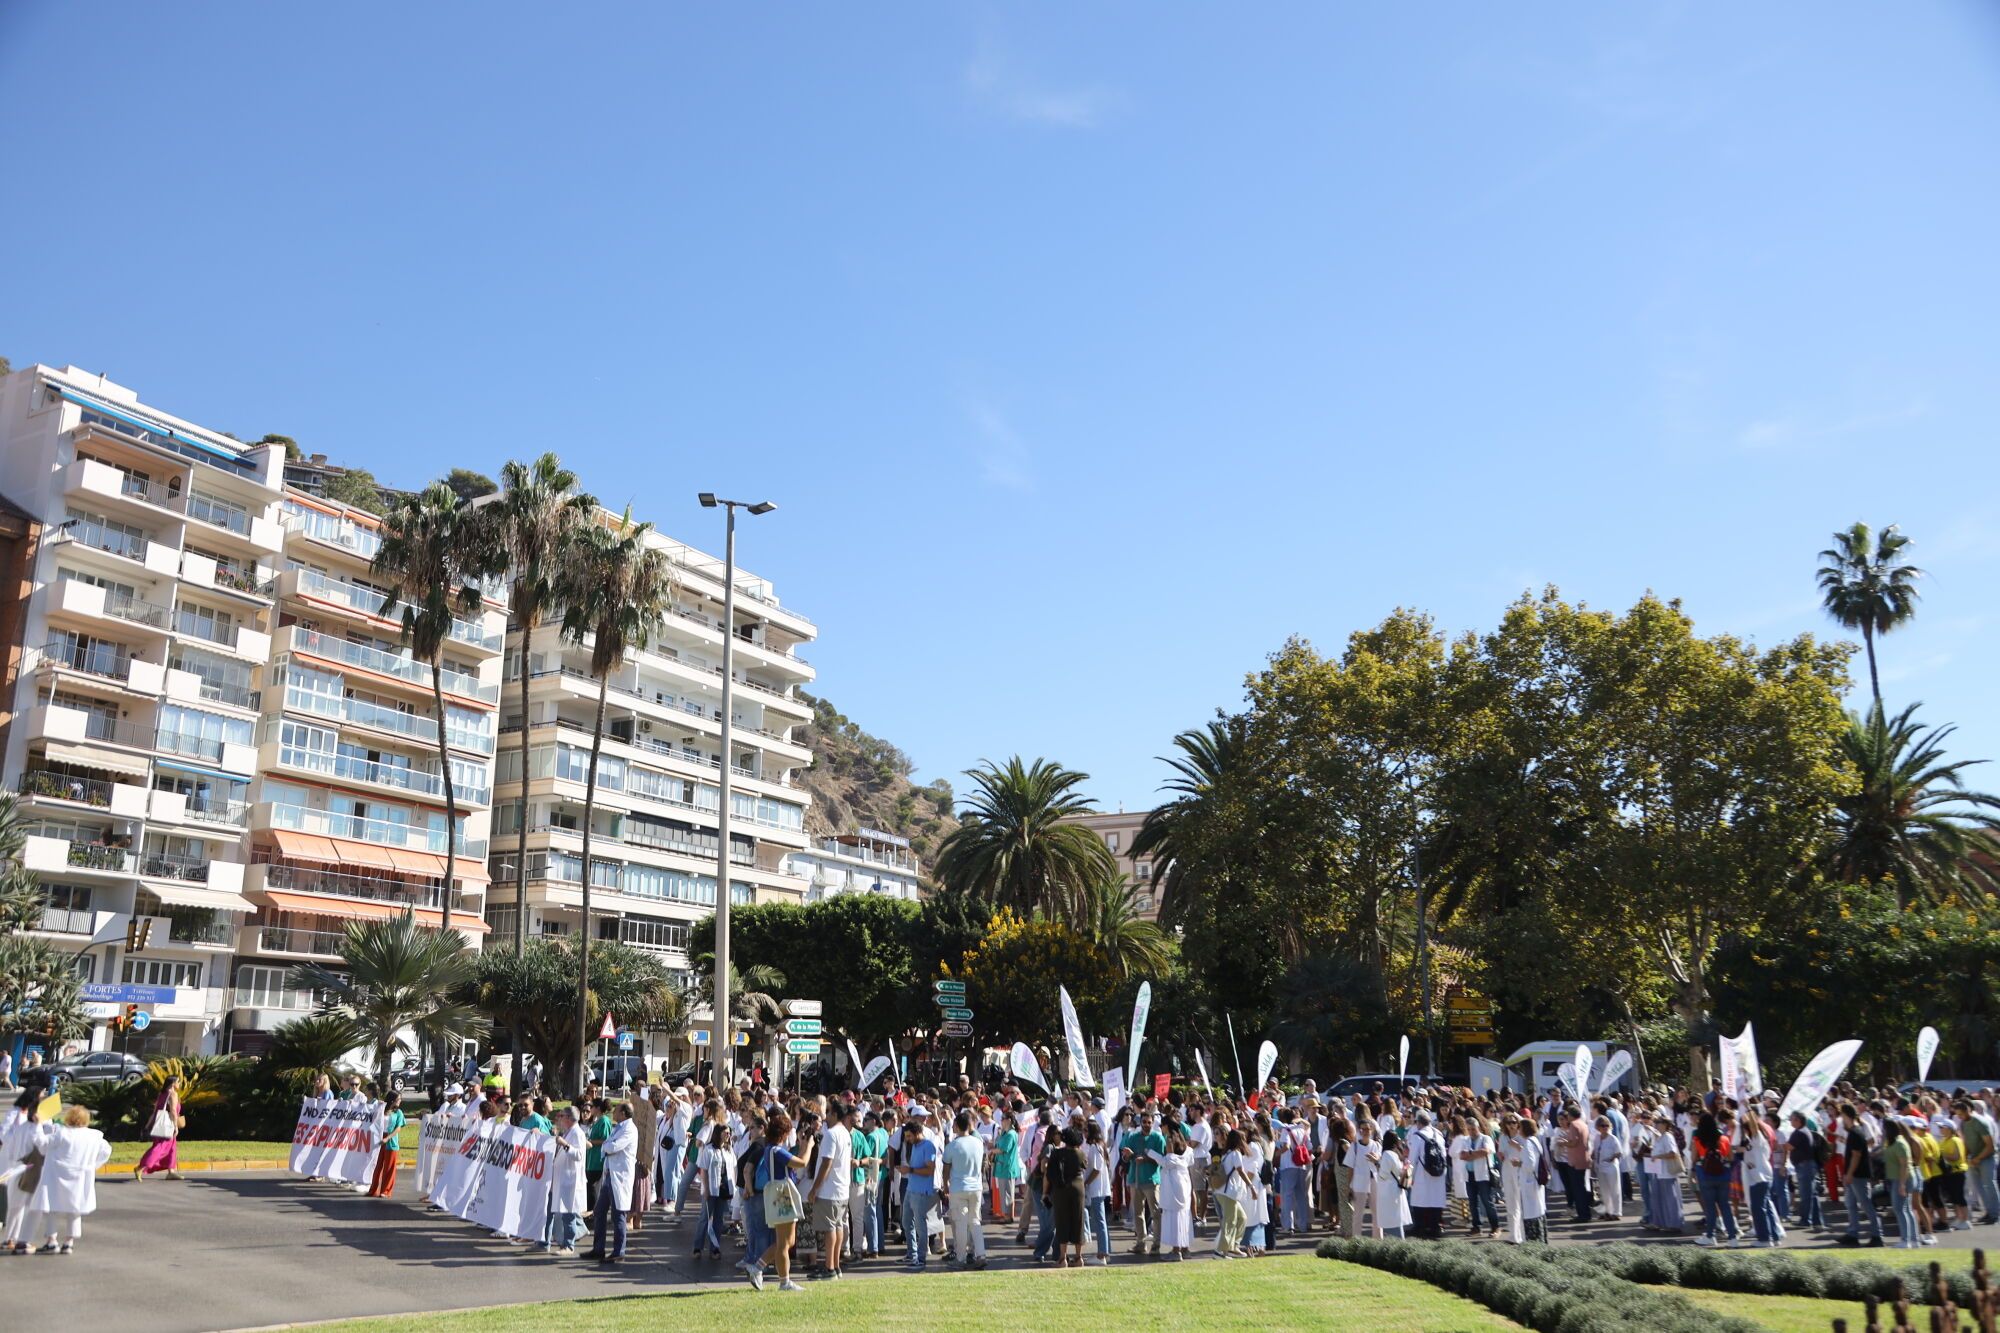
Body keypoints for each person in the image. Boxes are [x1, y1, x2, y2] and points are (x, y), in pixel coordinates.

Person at [23, 1105, 113, 1254]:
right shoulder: (94, 1136)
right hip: (80, 1177)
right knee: (74, 1210)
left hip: (56, 1176)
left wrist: (38, 1126)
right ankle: (69, 1242)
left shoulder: (62, 1133)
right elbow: (106, 1151)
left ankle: (51, 1241)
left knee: (51, 1208)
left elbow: (42, 1145)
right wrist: (92, 1166)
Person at [750, 1112, 806, 1292]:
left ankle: (758, 1266)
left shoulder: (769, 1149)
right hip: (782, 1193)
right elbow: (801, 1163)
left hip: (776, 1192)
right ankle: (784, 1281)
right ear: (782, 1133)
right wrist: (809, 1145)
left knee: (788, 1240)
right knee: (784, 1242)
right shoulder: (777, 1150)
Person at [583, 1102, 636, 1265]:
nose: (613, 1112)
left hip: (620, 1177)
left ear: (624, 1113)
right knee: (599, 1211)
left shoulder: (629, 1129)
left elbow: (613, 1146)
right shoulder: (618, 1127)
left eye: (617, 1110)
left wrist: (606, 1147)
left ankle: (619, 1251)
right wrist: (606, 1146)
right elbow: (607, 1145)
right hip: (610, 1176)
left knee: (618, 1214)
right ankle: (598, 1249)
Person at [810, 1101, 854, 1279]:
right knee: (837, 1226)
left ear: (835, 1114)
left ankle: (829, 1267)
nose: (825, 1116)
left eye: (828, 1112)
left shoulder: (831, 1134)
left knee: (830, 1228)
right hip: (842, 1188)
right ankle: (835, 1266)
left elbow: (827, 1162)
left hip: (830, 1190)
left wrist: (815, 1188)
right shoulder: (845, 1132)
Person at [941, 1111, 987, 1269]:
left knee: (960, 1224)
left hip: (959, 1187)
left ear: (957, 1125)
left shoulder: (952, 1146)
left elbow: (946, 1170)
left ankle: (960, 1258)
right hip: (976, 1187)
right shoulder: (978, 1143)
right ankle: (980, 1254)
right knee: (975, 1221)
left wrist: (945, 1186)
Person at [1689, 1110, 1740, 1247]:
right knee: (1725, 1206)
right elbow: (1730, 1157)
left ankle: (1711, 1235)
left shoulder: (1698, 1139)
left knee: (1710, 1207)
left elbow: (1694, 1158)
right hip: (1723, 1174)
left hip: (1705, 1174)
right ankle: (1732, 1238)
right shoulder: (1724, 1138)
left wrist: (1693, 1171)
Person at [2, 1091, 43, 1254]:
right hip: (29, 1169)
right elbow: (42, 1145)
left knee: (14, 1207)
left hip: (15, 1166)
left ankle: (8, 1239)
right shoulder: (34, 1129)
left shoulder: (20, 1128)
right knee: (27, 1207)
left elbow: (9, 1145)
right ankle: (21, 1241)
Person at [544, 1105, 587, 1255]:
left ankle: (569, 1245)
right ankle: (555, 1242)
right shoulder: (569, 1132)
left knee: (569, 1214)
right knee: (562, 1213)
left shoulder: (577, 1133)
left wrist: (565, 1145)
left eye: (562, 1116)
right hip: (563, 1180)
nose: (560, 1119)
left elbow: (579, 1155)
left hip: (571, 1181)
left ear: (569, 1118)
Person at [1123, 1108, 1166, 1257]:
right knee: (1138, 1213)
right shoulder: (1133, 1137)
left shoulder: (1158, 1138)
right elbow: (1127, 1158)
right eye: (1144, 1122)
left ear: (1153, 1123)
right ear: (1140, 1123)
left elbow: (1161, 1159)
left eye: (1149, 1122)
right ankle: (1140, 1242)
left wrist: (1145, 1159)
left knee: (1155, 1213)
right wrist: (1127, 1156)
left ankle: (1157, 1243)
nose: (1146, 1125)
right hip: (1134, 1179)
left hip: (1151, 1180)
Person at [898, 1116, 939, 1270]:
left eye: (909, 1136)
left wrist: (910, 1170)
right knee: (906, 1222)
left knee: (920, 1225)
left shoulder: (928, 1146)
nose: (907, 1139)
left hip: (921, 1191)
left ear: (916, 1133)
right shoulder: (915, 1145)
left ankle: (921, 1257)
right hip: (911, 1188)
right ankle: (912, 1253)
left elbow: (930, 1170)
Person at [1500, 1113, 1547, 1245]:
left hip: (1525, 1177)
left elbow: (1530, 1163)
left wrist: (1519, 1160)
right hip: (1511, 1172)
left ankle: (1527, 1238)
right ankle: (1515, 1235)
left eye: (1515, 1123)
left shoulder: (1527, 1141)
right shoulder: (1505, 1137)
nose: (1513, 1126)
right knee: (1512, 1204)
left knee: (1527, 1208)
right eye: (1508, 1123)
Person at [1149, 1127, 1195, 1260]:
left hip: (1175, 1190)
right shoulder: (1187, 1154)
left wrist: (1150, 1152)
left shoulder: (1172, 1159)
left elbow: (1165, 1161)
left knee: (1175, 1219)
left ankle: (1176, 1251)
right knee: (1183, 1216)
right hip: (1183, 1187)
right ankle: (1185, 1249)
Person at [1046, 1124, 1088, 1267]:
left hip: (1061, 1189)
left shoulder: (1057, 1153)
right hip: (1078, 1187)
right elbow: (1084, 1166)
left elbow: (1049, 1173)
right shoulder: (1080, 1153)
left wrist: (1046, 1192)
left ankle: (1063, 1258)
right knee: (1078, 1220)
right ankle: (1078, 1257)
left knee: (1062, 1221)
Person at [692, 1122, 735, 1260]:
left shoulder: (729, 1150)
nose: (728, 1135)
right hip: (711, 1189)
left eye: (729, 1133)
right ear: (718, 1133)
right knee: (705, 1218)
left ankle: (715, 1248)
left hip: (723, 1190)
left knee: (718, 1220)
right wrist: (706, 1188)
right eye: (725, 1132)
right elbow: (703, 1170)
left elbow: (733, 1168)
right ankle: (697, 1247)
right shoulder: (709, 1149)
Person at [849, 1109, 886, 1260]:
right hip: (881, 1176)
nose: (863, 1122)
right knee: (877, 1211)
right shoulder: (883, 1133)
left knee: (869, 1212)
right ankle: (879, 1244)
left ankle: (873, 1247)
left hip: (870, 1177)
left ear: (874, 1121)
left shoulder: (870, 1136)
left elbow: (869, 1158)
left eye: (866, 1120)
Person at [134, 1074, 185, 1181]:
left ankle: (171, 1171)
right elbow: (173, 1112)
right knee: (160, 1149)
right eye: (178, 1081)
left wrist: (148, 1126)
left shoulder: (162, 1094)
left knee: (172, 1149)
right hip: (168, 1127)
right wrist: (175, 1127)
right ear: (173, 1084)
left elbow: (154, 1112)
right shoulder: (173, 1094)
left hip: (159, 1126)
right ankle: (140, 1167)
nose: (179, 1084)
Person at [1457, 1114, 1499, 1235]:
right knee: (1472, 1202)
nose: (1471, 1132)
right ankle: (1476, 1226)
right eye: (1469, 1129)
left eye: (1473, 1129)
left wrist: (1470, 1154)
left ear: (1478, 1128)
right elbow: (1461, 1155)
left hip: (1483, 1174)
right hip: (1469, 1174)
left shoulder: (1486, 1138)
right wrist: (1475, 1154)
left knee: (1487, 1201)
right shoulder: (1466, 1140)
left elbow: (1486, 1151)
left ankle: (1495, 1226)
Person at [1083, 1119, 1113, 1266]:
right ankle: (1106, 1251)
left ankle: (1102, 1254)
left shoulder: (1095, 1147)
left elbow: (1096, 1169)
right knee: (1102, 1221)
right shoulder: (1100, 1146)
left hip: (1096, 1188)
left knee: (1099, 1221)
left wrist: (1086, 1182)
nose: (1084, 1133)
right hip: (1101, 1188)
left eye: (1085, 1131)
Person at [366, 1092, 407, 1198]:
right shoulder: (381, 1109)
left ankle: (386, 1190)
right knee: (376, 1165)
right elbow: (369, 1113)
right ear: (392, 1100)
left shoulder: (398, 1112)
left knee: (389, 1167)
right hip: (378, 1140)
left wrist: (387, 1138)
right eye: (398, 1099)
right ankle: (373, 1189)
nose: (400, 1101)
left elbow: (398, 1128)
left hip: (391, 1141)